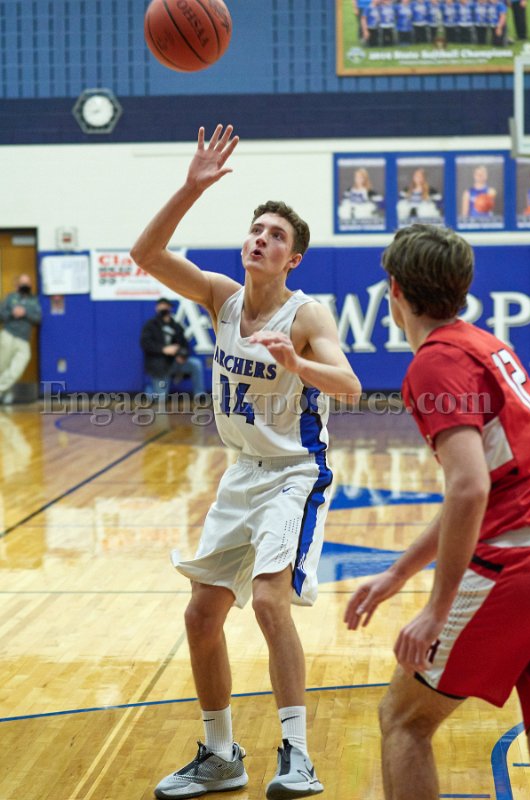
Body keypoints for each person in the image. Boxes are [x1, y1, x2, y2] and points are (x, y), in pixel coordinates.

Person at [130, 124, 361, 800]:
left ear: (293, 259)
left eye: (275, 236)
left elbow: (349, 387)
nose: (260, 239)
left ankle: (298, 755)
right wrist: (190, 188)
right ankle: (220, 754)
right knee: (200, 617)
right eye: (255, 230)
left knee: (266, 601)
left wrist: (298, 363)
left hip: (295, 473)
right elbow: (145, 253)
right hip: (241, 473)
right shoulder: (221, 297)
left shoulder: (306, 315)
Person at [345, 223, 530, 800]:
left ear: (395, 291)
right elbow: (484, 485)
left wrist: (437, 608)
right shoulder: (488, 345)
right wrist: (399, 572)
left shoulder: (436, 362)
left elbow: (470, 489)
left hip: (514, 566)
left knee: (404, 720)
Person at [140, 297, 205, 400]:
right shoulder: (151, 325)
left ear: (170, 308)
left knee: (195, 364)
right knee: (161, 398)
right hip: (159, 364)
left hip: (175, 362)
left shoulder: (176, 326)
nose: (164, 309)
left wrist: (182, 355)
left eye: (166, 307)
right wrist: (163, 349)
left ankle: (199, 394)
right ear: (157, 308)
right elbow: (145, 344)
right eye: (162, 307)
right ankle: (150, 390)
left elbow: (185, 345)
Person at [0, 273, 42, 404]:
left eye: (27, 283)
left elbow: (38, 318)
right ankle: (5, 392)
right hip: (8, 335)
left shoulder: (34, 301)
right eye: (23, 283)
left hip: (23, 339)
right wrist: (12, 313)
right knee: (2, 366)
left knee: (18, 366)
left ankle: (1, 388)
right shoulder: (10, 298)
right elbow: (1, 314)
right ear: (17, 285)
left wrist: (25, 313)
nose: (25, 285)